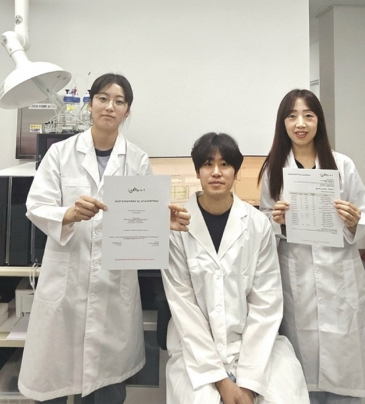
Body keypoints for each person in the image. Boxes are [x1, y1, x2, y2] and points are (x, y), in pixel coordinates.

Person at [18, 73, 190, 404]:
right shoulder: (60, 153)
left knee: (107, 387)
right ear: (91, 104)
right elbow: (36, 206)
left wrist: (160, 222)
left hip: (113, 284)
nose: (110, 106)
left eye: (119, 101)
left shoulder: (137, 159)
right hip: (67, 281)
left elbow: (139, 218)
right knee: (54, 381)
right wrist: (68, 214)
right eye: (103, 98)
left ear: (127, 111)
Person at [258, 89, 365, 404]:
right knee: (302, 368)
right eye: (292, 116)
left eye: (308, 115)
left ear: (319, 121)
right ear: (283, 123)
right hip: (296, 274)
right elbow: (263, 221)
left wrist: (353, 220)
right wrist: (278, 222)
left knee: (344, 361)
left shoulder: (342, 165)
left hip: (339, 273)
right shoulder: (273, 169)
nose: (300, 123)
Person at [162, 132, 309, 404]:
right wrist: (221, 381)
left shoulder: (257, 224)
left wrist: (250, 383)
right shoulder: (177, 227)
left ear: (236, 172)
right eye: (208, 164)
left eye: (225, 164)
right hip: (196, 351)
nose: (216, 172)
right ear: (197, 171)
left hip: (255, 346)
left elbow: (266, 303)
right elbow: (183, 308)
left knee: (286, 396)